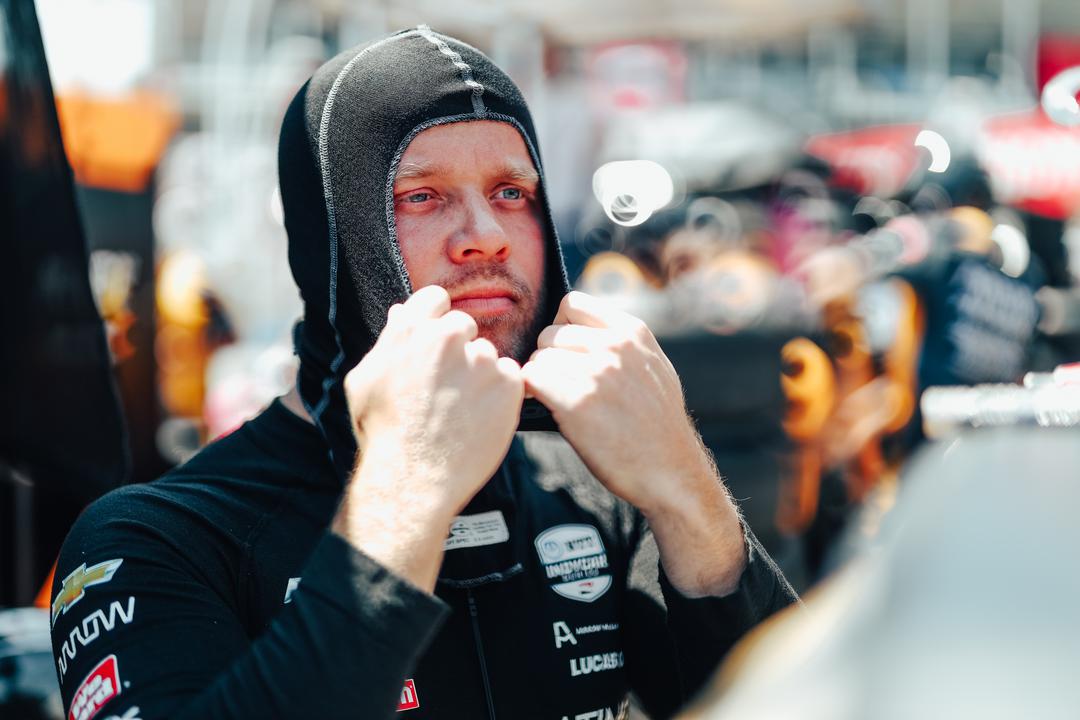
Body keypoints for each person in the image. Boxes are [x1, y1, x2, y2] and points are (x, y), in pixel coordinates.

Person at [50, 26, 796, 720]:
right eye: (422, 196)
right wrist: (402, 494)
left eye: (512, 193)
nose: (487, 237)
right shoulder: (157, 538)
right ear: (336, 238)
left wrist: (687, 490)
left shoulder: (598, 488)